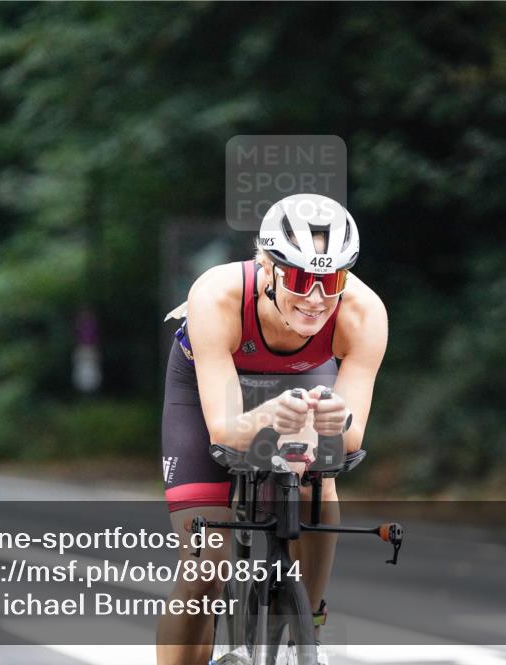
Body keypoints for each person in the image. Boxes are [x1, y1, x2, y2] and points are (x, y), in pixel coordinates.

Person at [156, 193, 388, 665]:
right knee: (207, 568)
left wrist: (333, 424)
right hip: (210, 389)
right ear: (267, 266)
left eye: (332, 279)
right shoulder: (216, 294)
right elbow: (223, 431)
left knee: (317, 478)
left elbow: (352, 435)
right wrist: (267, 416)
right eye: (302, 279)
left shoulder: (364, 313)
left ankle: (309, 625)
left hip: (302, 378)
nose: (317, 298)